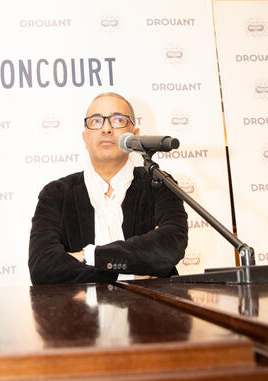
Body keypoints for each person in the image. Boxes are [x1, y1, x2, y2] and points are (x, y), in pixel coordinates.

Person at [29, 92, 188, 285]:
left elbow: (170, 244)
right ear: (85, 138)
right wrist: (123, 276)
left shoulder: (159, 184)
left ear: (135, 135)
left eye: (118, 120)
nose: (106, 129)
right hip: (80, 305)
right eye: (96, 121)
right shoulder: (56, 194)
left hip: (155, 302)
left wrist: (90, 256)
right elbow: (43, 267)